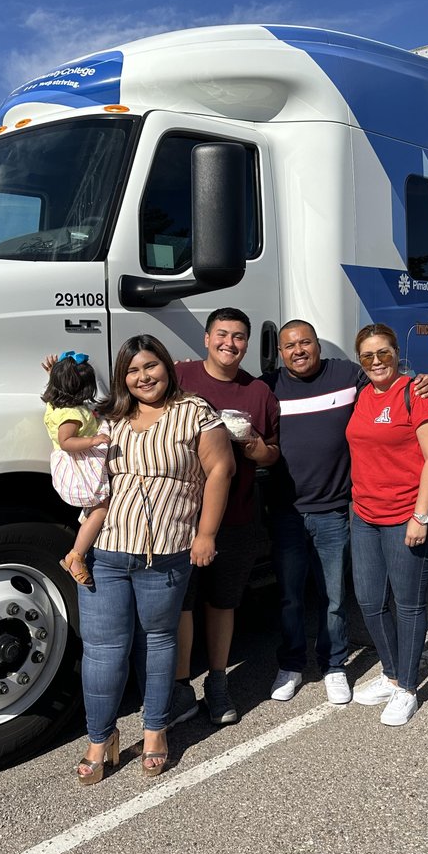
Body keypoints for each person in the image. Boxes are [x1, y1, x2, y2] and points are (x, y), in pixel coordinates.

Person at [72, 335, 233, 784]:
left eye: (151, 366)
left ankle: (156, 730)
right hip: (104, 551)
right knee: (103, 651)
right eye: (133, 370)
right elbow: (62, 409)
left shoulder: (195, 411)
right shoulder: (108, 417)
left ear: (167, 365)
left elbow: (221, 470)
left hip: (165, 552)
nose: (144, 377)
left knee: (160, 642)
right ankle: (100, 739)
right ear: (123, 376)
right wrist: (57, 370)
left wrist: (206, 534)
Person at [264, 320, 428, 705]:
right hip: (288, 511)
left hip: (335, 511)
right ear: (280, 352)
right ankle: (291, 666)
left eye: (306, 342)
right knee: (290, 597)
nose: (299, 350)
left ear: (318, 345)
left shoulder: (346, 375)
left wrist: (425, 379)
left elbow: (388, 380)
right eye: (290, 345)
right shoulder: (269, 386)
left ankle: (335, 666)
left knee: (335, 597)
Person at [172, 308, 280, 726]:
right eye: (222, 334)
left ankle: (217, 683)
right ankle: (180, 688)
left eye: (238, 337)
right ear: (205, 338)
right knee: (180, 605)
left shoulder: (257, 393)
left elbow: (273, 451)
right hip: (179, 516)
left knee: (222, 602)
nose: (229, 344)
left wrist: (252, 445)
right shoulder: (181, 378)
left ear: (247, 344)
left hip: (237, 515)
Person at [345, 323, 428, 726]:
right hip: (365, 515)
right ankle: (390, 675)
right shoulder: (362, 394)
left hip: (406, 515)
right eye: (368, 356)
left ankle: (408, 687)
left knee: (408, 604)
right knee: (370, 602)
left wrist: (420, 515)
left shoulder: (416, 394)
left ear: (396, 354)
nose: (376, 362)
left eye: (383, 354)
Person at [43, 350, 110, 587]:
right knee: (101, 507)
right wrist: (93, 440)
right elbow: (66, 441)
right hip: (78, 465)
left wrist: (54, 373)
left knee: (95, 506)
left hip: (74, 464)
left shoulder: (56, 404)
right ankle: (76, 555)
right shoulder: (72, 414)